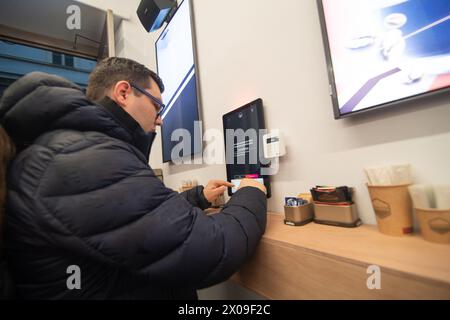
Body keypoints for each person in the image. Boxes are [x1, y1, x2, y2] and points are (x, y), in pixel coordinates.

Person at [0, 57, 267, 299]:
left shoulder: (66, 151)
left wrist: (197, 197)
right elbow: (212, 251)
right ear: (124, 92)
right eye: (156, 106)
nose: (160, 120)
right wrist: (251, 191)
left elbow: (133, 217)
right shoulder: (86, 157)